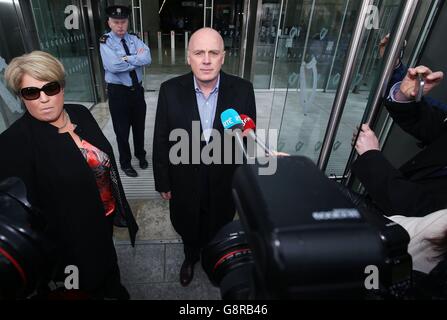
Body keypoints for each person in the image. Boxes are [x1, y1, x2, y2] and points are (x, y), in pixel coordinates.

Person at [0, 51, 138, 299]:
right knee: (83, 285)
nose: (43, 99)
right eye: (31, 92)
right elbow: (21, 216)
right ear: (21, 98)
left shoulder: (80, 113)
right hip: (68, 242)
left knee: (107, 264)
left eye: (50, 88)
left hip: (102, 219)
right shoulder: (13, 143)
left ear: (62, 87)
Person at [152, 28, 256, 287]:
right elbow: (161, 139)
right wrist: (162, 181)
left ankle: (214, 261)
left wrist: (245, 183)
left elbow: (248, 141)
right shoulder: (169, 90)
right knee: (188, 224)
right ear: (189, 57)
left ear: (223, 57)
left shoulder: (243, 90)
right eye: (199, 53)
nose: (206, 60)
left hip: (223, 181)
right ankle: (190, 257)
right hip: (184, 180)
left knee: (219, 226)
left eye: (213, 53)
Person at [351, 64, 445, 217]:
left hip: (397, 228)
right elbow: (432, 124)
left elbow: (421, 210)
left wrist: (371, 156)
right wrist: (405, 96)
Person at [99, 5, 151, 177]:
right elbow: (113, 66)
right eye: (116, 22)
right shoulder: (105, 41)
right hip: (118, 93)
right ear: (109, 22)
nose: (120, 26)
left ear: (127, 22)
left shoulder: (134, 39)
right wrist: (137, 60)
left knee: (139, 126)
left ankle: (140, 154)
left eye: (123, 22)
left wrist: (127, 58)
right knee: (121, 130)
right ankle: (125, 162)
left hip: (137, 91)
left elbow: (147, 57)